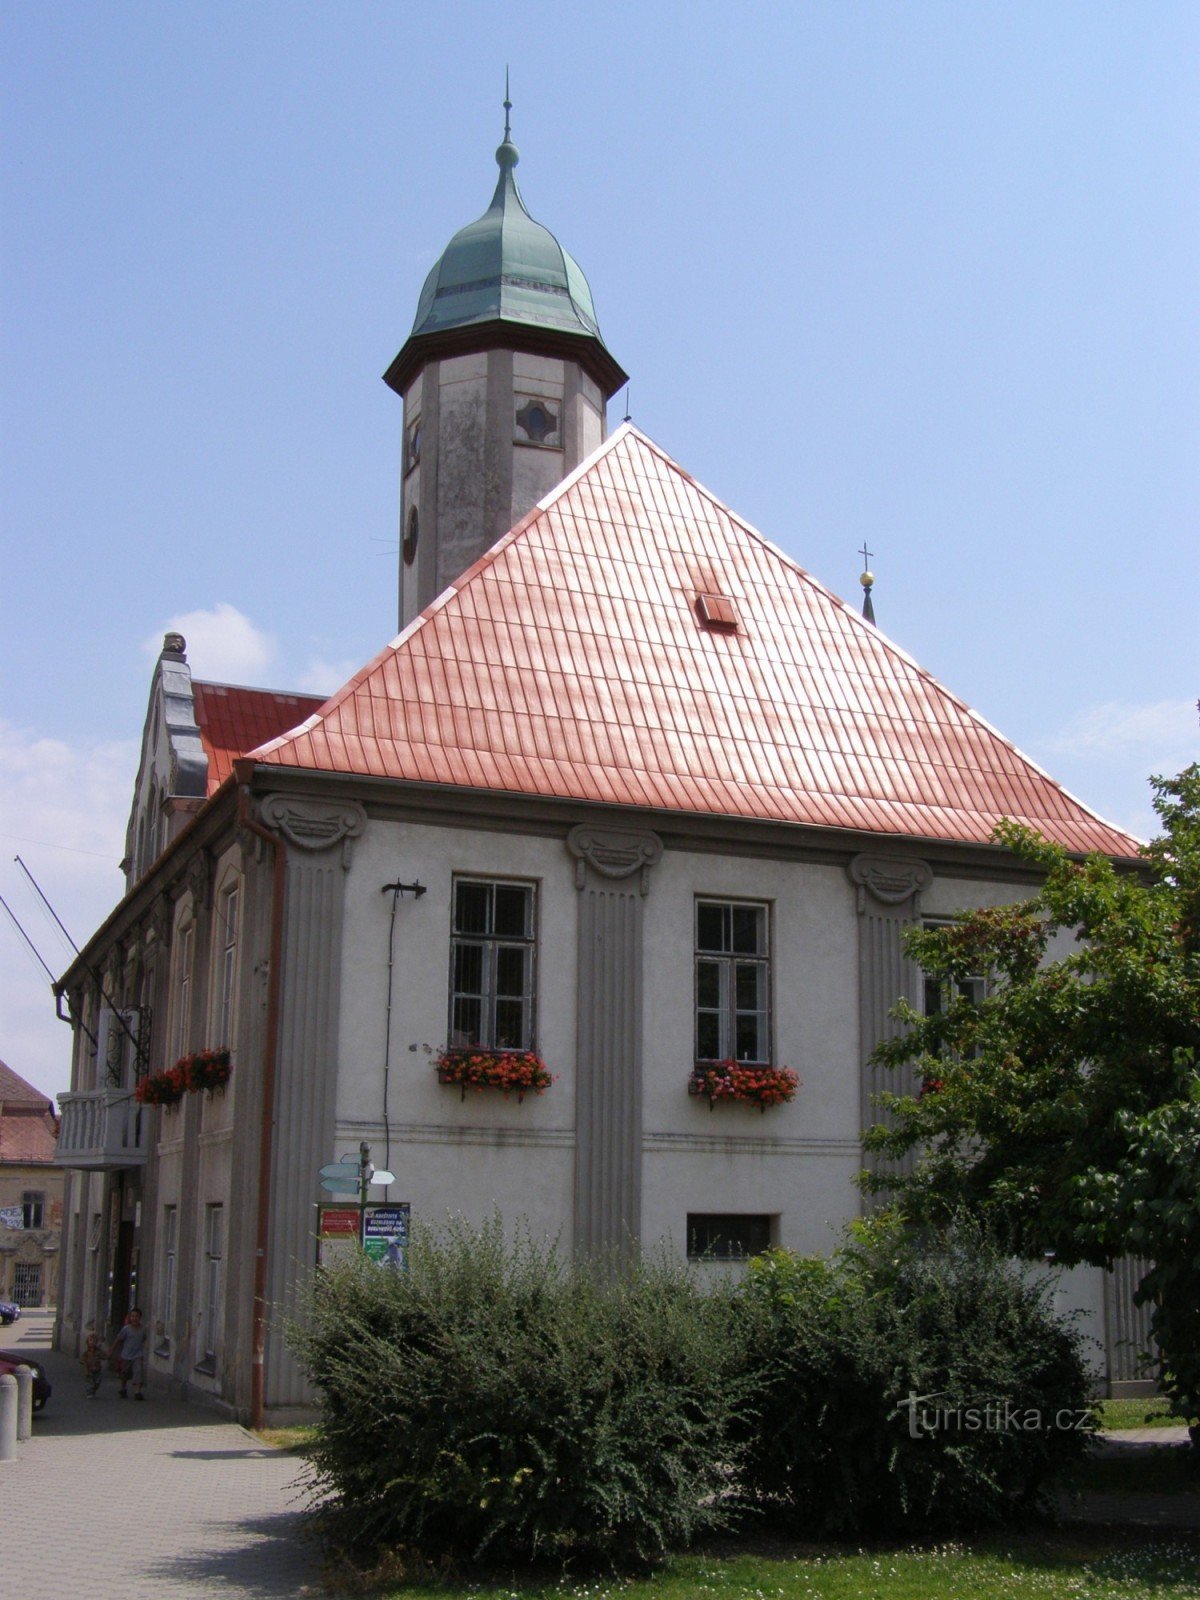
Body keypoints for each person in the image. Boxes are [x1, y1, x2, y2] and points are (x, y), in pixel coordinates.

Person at [109, 1305, 147, 1400]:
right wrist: (111, 1350)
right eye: (132, 1316)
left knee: (138, 1371)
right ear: (130, 1318)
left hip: (138, 1355)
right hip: (126, 1355)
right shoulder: (126, 1329)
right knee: (125, 1374)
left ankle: (137, 1392)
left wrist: (144, 1351)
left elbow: (145, 1340)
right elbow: (118, 1340)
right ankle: (123, 1388)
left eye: (136, 1316)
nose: (134, 1318)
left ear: (140, 1318)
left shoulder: (143, 1329)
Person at [81, 1329, 103, 1397]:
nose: (92, 1342)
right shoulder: (86, 1353)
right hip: (90, 1369)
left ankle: (93, 1390)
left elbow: (105, 1356)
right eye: (90, 1340)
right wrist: (86, 1371)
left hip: (98, 1370)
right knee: (90, 1382)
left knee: (97, 1382)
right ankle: (89, 1392)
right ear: (87, 1342)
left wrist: (109, 1354)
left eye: (93, 1341)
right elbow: (84, 1363)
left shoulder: (99, 1351)